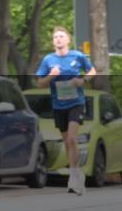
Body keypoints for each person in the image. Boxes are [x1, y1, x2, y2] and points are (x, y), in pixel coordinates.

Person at [36, 26, 97, 195]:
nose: (58, 39)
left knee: (71, 138)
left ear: (68, 40)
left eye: (62, 36)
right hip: (58, 105)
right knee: (67, 142)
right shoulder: (48, 60)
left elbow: (92, 71)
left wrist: (82, 80)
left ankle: (75, 176)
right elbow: (40, 83)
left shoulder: (77, 56)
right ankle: (74, 171)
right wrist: (51, 76)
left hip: (76, 103)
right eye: (55, 37)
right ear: (53, 42)